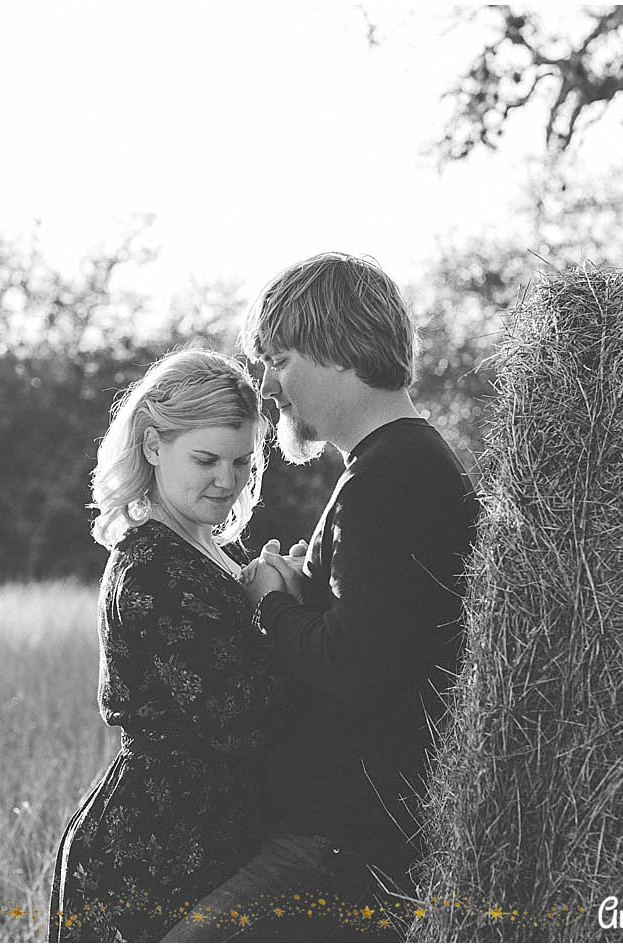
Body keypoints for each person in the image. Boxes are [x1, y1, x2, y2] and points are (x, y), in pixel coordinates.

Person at [166, 252, 479, 941]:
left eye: (279, 359)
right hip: (342, 828)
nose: (269, 384)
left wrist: (271, 601)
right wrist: (309, 590)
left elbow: (358, 669)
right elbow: (386, 630)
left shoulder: (390, 476)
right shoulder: (395, 464)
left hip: (345, 838)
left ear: (336, 349)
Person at [50, 349, 275, 941]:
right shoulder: (153, 566)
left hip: (206, 839)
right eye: (205, 459)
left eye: (241, 463)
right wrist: (287, 614)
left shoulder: (215, 554)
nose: (226, 480)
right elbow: (239, 720)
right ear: (153, 446)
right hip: (152, 853)